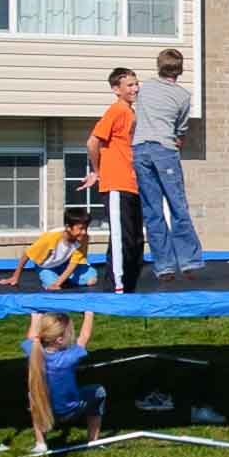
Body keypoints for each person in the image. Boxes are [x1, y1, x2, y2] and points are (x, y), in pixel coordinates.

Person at [133, 48, 202, 281]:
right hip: (164, 149)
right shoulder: (183, 96)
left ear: (158, 66)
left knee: (152, 211)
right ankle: (189, 262)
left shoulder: (145, 89)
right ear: (180, 70)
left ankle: (164, 267)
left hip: (140, 149)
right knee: (177, 206)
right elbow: (180, 131)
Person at [81, 67, 144, 292]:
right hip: (117, 184)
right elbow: (92, 143)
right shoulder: (116, 110)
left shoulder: (132, 113)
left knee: (135, 239)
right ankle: (118, 287)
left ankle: (129, 285)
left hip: (133, 184)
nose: (135, 88)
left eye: (137, 84)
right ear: (116, 89)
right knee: (121, 238)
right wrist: (97, 172)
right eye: (130, 85)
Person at [22, 310, 105, 454]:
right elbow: (84, 337)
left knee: (34, 395)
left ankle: (40, 442)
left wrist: (35, 315)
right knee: (99, 391)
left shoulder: (34, 351)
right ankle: (93, 440)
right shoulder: (69, 357)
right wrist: (89, 313)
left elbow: (31, 337)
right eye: (69, 333)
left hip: (45, 411)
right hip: (70, 411)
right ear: (60, 340)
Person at [0, 210, 98, 290]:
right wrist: (15, 277)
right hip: (46, 267)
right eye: (80, 228)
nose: (84, 232)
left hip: (64, 264)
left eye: (86, 228)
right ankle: (61, 279)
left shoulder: (83, 238)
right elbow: (27, 254)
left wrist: (58, 282)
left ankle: (64, 279)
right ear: (68, 227)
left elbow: (73, 263)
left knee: (91, 280)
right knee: (53, 287)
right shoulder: (50, 238)